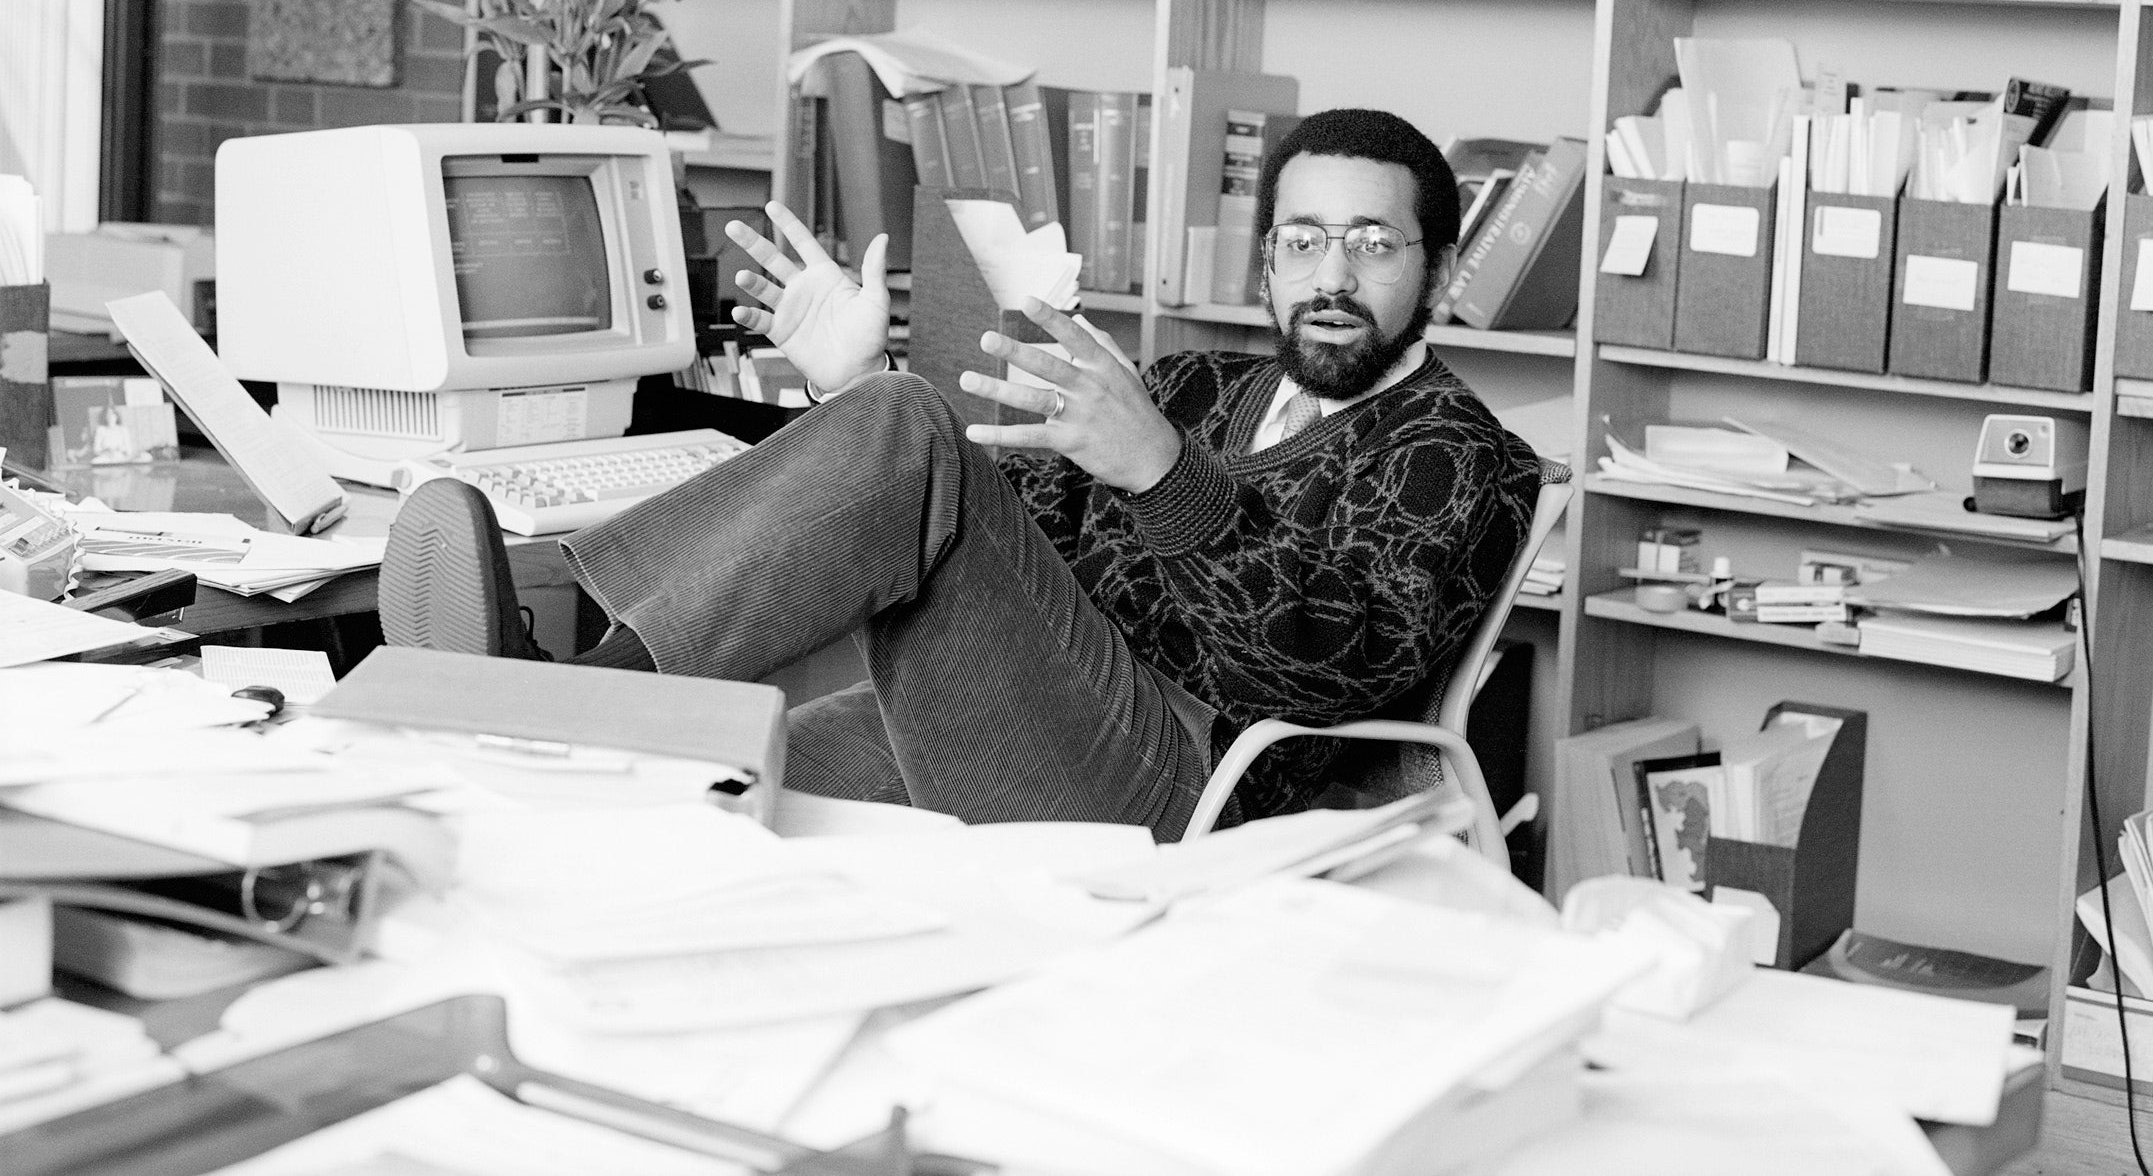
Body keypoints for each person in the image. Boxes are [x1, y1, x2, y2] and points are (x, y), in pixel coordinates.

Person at [378, 108, 1539, 840]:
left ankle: (556, 696)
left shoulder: (1461, 455)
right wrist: (843, 388)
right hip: (1044, 715)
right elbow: (973, 528)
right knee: (705, 780)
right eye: (1301, 238)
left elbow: (1330, 672)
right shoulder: (1191, 383)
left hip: (1195, 788)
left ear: (1435, 271)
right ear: (1267, 260)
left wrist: (1160, 474)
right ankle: (566, 716)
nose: (1330, 271)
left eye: (1372, 243)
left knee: (911, 420)